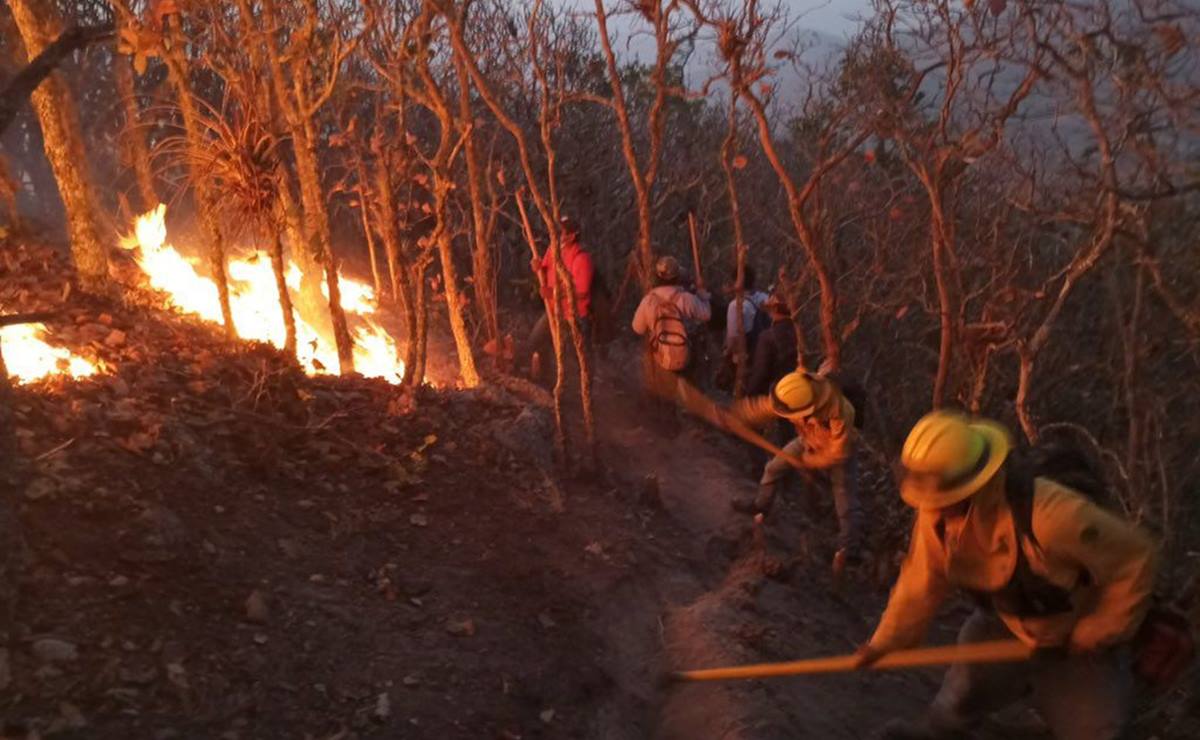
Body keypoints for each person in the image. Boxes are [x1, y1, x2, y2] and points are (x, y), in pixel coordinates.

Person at [856, 410, 1157, 740]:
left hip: (1074, 642)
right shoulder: (937, 517)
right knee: (956, 703)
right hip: (1006, 625)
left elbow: (1135, 559)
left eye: (938, 496)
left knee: (1094, 732)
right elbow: (920, 585)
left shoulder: (1051, 515)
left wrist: (1097, 631)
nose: (928, 505)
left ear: (973, 486)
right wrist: (884, 644)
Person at [728, 371, 863, 572]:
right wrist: (738, 414)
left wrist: (809, 461)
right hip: (807, 440)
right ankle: (761, 505)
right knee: (773, 468)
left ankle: (850, 549)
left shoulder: (840, 413)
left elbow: (837, 453)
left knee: (844, 498)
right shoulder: (793, 393)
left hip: (839, 450)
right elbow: (765, 407)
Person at [527, 216, 594, 382]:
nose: (558, 235)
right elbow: (544, 269)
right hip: (553, 311)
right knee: (535, 342)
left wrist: (554, 293)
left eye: (562, 232)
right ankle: (545, 381)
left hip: (574, 316)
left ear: (572, 236)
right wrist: (537, 267)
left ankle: (575, 389)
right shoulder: (553, 249)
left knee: (572, 358)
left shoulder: (582, 258)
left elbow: (582, 291)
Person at [631, 255, 712, 377]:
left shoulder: (648, 301)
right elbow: (707, 315)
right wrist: (702, 293)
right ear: (677, 277)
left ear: (657, 278)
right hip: (685, 357)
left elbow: (637, 328)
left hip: (661, 357)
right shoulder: (686, 299)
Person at [745, 291, 797, 397]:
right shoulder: (800, 333)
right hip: (798, 389)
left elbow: (761, 372)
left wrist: (749, 394)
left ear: (775, 309)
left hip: (776, 393)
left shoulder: (767, 337)